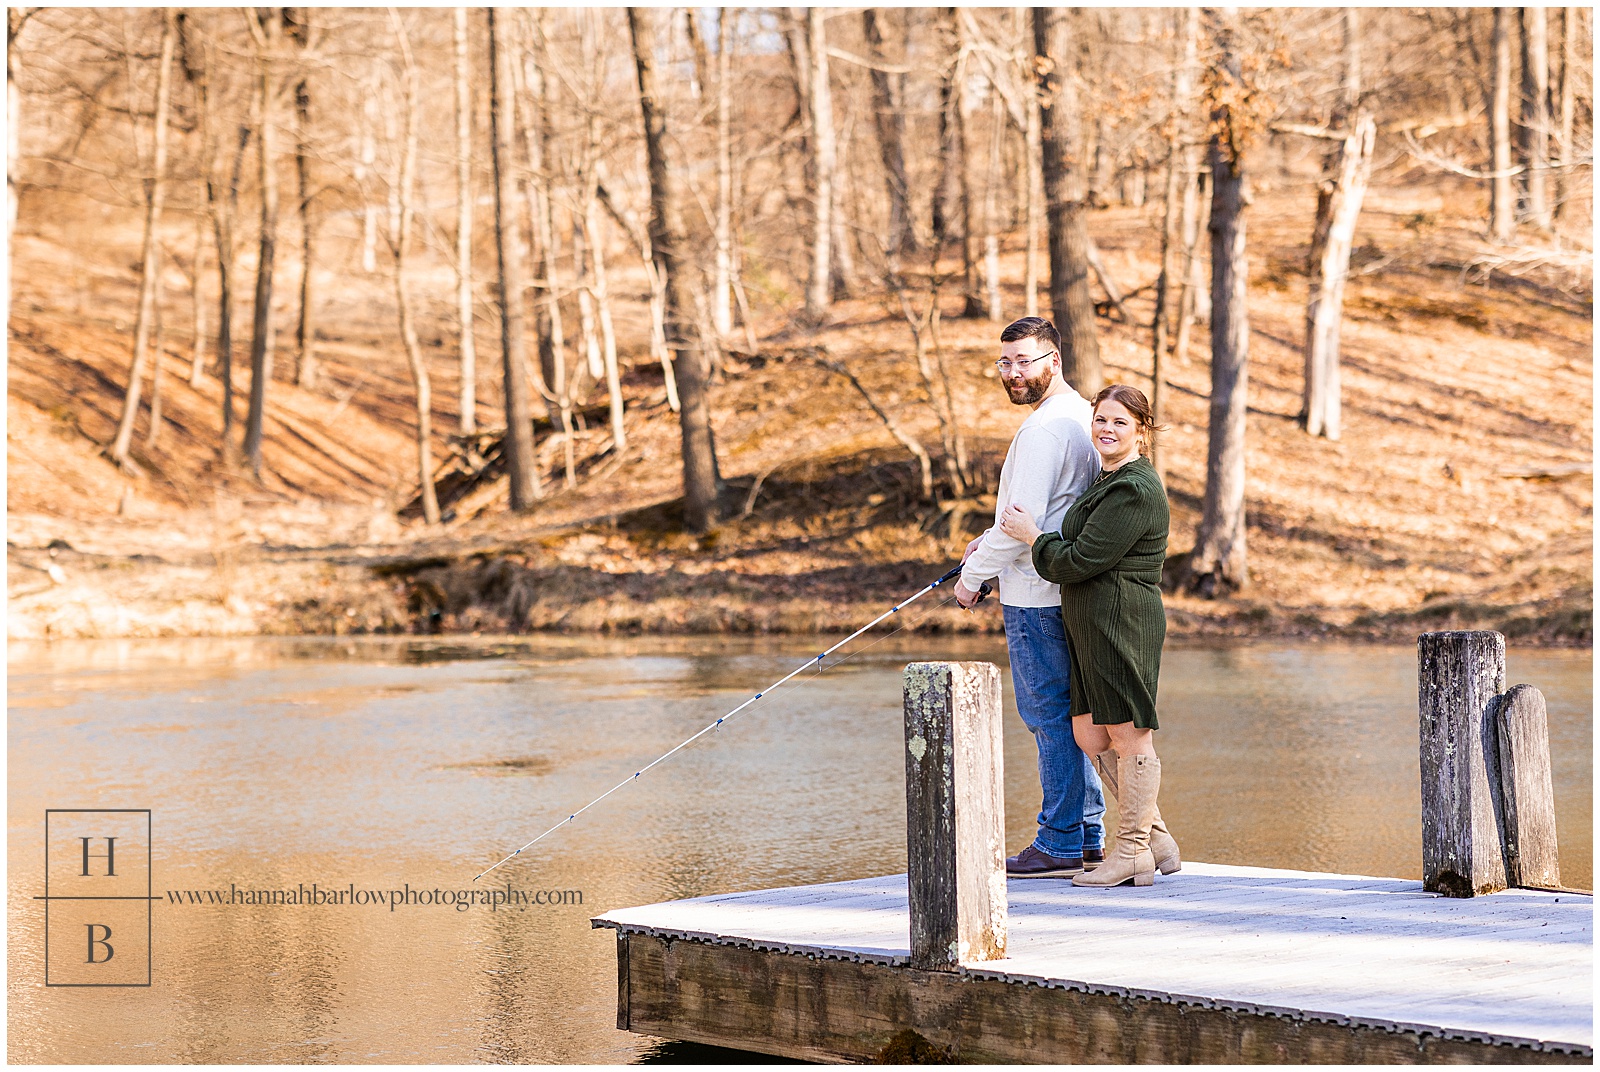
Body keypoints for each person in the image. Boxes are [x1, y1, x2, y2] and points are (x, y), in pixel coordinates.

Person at [999, 383, 1180, 888]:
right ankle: (1157, 836)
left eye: (1120, 422)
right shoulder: (1105, 480)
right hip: (1088, 623)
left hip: (1121, 620)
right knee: (1089, 733)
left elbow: (1077, 561)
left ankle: (1132, 852)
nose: (1107, 429)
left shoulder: (1134, 489)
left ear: (1141, 432)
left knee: (1127, 734)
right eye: (1101, 419)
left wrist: (1032, 535)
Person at [954, 317, 1105, 878]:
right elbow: (1038, 514)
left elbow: (1029, 518)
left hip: (1037, 596)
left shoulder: (1043, 430)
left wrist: (972, 579)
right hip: (1064, 588)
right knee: (1071, 717)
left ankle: (1060, 841)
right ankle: (1088, 834)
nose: (1014, 373)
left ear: (1054, 361)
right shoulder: (1079, 415)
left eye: (1025, 361)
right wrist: (989, 541)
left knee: (1047, 718)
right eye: (1005, 363)